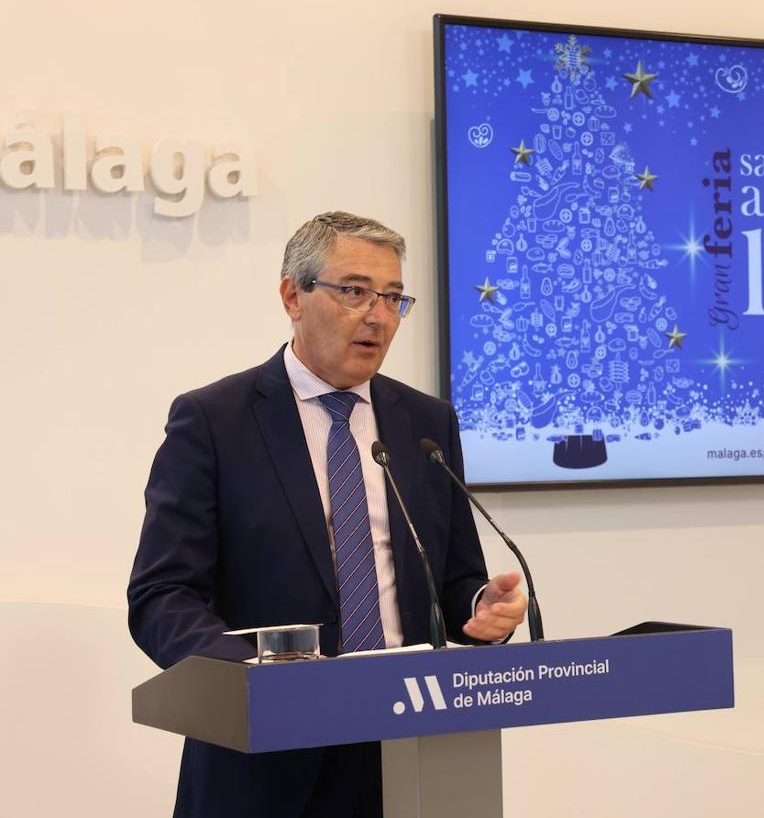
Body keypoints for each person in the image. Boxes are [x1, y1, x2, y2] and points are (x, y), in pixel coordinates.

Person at [128, 211, 527, 818]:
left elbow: (452, 575)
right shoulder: (215, 420)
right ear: (293, 294)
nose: (379, 315)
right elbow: (162, 594)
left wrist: (479, 607)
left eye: (394, 298)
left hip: (411, 749)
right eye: (355, 292)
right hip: (264, 761)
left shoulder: (426, 424)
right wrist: (253, 676)